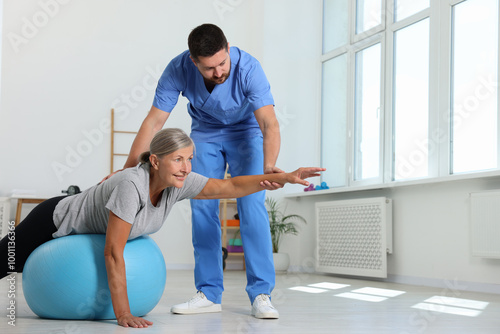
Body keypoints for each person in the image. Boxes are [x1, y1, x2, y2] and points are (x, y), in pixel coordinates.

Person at [1, 128, 324, 328]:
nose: (186, 168)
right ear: (155, 161)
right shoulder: (131, 185)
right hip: (55, 218)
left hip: (85, 224)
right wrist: (123, 314)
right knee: (3, 263)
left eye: (190, 159)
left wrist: (284, 177)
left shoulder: (178, 182)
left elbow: (231, 186)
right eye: (178, 159)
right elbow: (113, 252)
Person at [119, 23, 283, 318]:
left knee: (252, 204)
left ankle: (261, 293)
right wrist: (128, 170)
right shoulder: (177, 69)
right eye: (209, 68)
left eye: (222, 63)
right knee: (202, 205)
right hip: (206, 133)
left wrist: (268, 167)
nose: (219, 72)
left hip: (247, 133)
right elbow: (154, 122)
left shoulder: (249, 69)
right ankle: (208, 293)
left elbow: (269, 123)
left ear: (228, 49)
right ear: (194, 62)